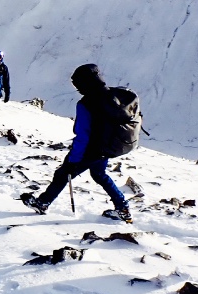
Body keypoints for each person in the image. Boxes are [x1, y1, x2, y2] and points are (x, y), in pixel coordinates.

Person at [20, 63, 133, 222]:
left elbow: (83, 135)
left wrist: (74, 160)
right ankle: (123, 208)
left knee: (62, 175)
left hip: (90, 150)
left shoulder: (86, 103)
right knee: (99, 175)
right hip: (106, 147)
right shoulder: (112, 96)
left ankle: (43, 203)